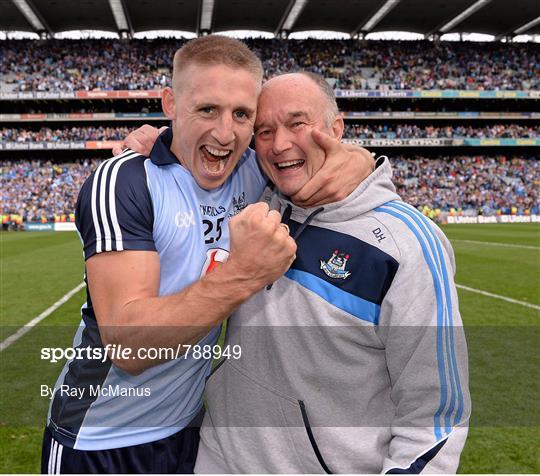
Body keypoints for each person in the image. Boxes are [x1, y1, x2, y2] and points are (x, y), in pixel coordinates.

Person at [42, 37, 374, 474]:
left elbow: (312, 157)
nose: (224, 133)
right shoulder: (126, 182)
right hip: (100, 437)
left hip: (192, 430)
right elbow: (128, 346)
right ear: (170, 104)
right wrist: (243, 274)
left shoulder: (255, 171)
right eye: (206, 110)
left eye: (242, 115)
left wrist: (360, 158)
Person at [191, 72, 471, 473]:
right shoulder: (256, 203)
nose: (279, 144)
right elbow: (194, 149)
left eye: (297, 123)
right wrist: (153, 141)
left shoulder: (406, 243)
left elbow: (435, 413)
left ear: (336, 129)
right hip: (218, 459)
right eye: (264, 130)